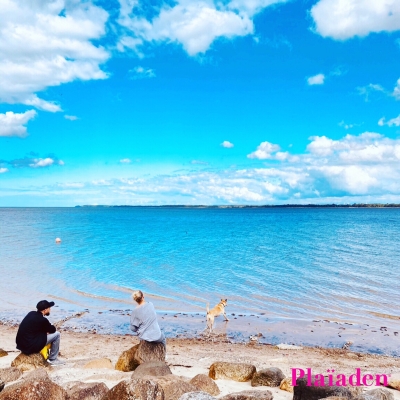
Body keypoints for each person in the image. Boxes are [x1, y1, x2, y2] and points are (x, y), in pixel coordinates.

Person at [16, 300, 65, 365]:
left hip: (21, 345)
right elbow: (53, 330)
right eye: (49, 308)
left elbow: (35, 328)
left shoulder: (31, 313)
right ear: (45, 310)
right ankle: (53, 359)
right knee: (57, 335)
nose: (50, 310)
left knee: (43, 332)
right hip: (30, 347)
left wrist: (45, 331)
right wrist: (47, 331)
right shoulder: (43, 320)